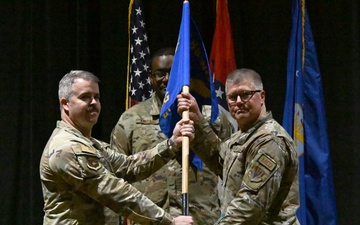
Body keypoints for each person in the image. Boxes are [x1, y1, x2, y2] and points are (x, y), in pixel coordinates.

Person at [39, 70, 195, 225]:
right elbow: (115, 193)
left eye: (96, 97)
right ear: (65, 104)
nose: (93, 102)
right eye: (85, 97)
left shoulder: (90, 144)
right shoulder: (68, 148)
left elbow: (129, 166)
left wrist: (172, 144)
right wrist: (168, 221)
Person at [110, 48, 234, 224]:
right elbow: (115, 179)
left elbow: (232, 168)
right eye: (160, 74)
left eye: (173, 73)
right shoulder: (131, 120)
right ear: (151, 77)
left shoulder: (211, 115)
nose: (167, 79)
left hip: (202, 219)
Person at [177, 68, 300, 224]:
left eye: (246, 94)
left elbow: (250, 205)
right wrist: (197, 120)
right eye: (233, 97)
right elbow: (219, 161)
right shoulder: (243, 136)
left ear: (261, 96)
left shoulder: (270, 140)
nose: (239, 101)